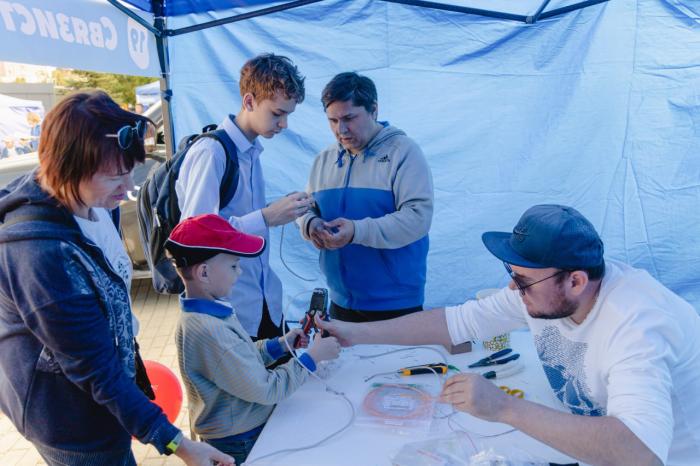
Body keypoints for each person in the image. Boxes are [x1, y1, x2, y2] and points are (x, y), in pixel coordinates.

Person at [316, 204, 700, 466]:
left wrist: (505, 408)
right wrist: (354, 333)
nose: (513, 289)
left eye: (521, 279)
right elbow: (457, 322)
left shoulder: (636, 325)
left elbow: (640, 451)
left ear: (576, 281)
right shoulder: (548, 289)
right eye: (511, 273)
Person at [0, 91, 234, 466]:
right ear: (68, 167)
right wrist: (178, 444)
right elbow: (94, 368)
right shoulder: (41, 254)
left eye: (129, 173)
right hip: (71, 422)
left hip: (105, 400)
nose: (128, 190)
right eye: (115, 177)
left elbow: (110, 313)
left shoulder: (92, 201)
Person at [165, 213, 341, 465]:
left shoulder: (206, 312)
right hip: (239, 440)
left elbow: (240, 355)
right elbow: (267, 389)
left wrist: (281, 344)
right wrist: (312, 357)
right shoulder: (209, 331)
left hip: (237, 431)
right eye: (234, 265)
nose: (240, 272)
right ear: (203, 273)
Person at [176, 53, 312, 340]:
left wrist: (276, 210)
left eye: (287, 114)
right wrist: (266, 217)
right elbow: (194, 238)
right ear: (249, 101)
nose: (284, 124)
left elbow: (230, 218)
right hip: (230, 311)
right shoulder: (211, 152)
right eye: (277, 113)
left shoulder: (251, 153)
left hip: (264, 302)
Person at [297, 72, 434, 323]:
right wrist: (311, 224)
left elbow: (418, 218)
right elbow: (306, 207)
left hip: (396, 305)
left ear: (374, 110)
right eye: (333, 120)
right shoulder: (324, 159)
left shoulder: (404, 153)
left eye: (349, 118)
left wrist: (356, 231)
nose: (341, 129)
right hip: (339, 302)